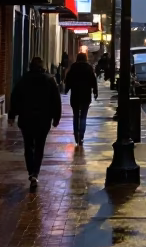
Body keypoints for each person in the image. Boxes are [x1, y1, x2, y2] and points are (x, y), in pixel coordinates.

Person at [8, 57, 62, 187]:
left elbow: (15, 98)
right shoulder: (49, 80)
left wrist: (11, 115)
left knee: (28, 145)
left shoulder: (23, 80)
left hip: (26, 119)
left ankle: (31, 171)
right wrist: (56, 118)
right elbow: (56, 100)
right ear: (42, 67)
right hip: (43, 120)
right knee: (39, 146)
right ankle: (35, 173)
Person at [64, 52, 99, 146]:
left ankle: (76, 133)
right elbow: (93, 80)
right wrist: (95, 91)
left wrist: (66, 89)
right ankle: (81, 135)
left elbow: (68, 80)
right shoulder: (89, 68)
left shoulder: (73, 68)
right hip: (86, 95)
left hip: (75, 94)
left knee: (75, 115)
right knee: (83, 116)